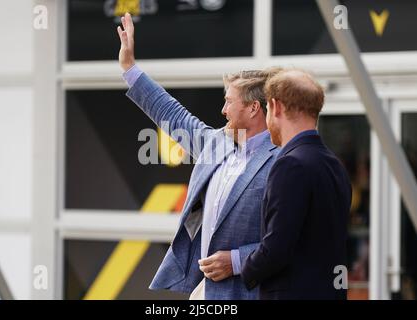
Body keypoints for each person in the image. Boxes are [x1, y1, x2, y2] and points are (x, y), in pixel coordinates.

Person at [117, 13, 280, 299]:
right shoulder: (217, 143)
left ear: (254, 108)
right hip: (206, 291)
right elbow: (171, 114)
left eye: (229, 102)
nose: (223, 111)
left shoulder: (282, 160)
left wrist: (236, 261)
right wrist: (130, 68)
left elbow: (291, 239)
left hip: (251, 292)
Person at [240, 69, 352, 299]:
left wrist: (244, 269)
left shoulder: (289, 165)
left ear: (276, 106)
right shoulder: (334, 165)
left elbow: (276, 249)